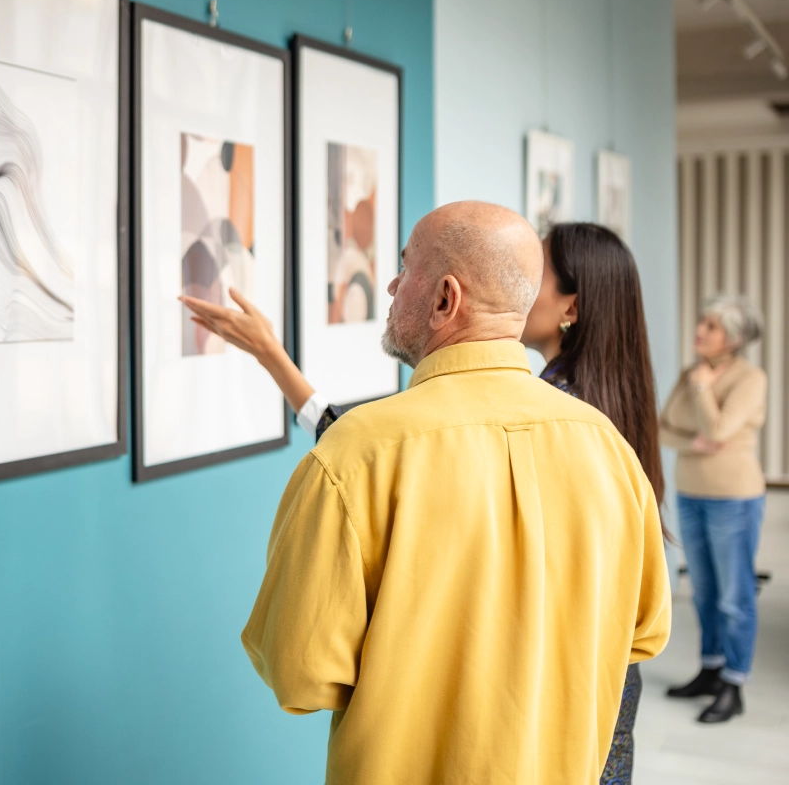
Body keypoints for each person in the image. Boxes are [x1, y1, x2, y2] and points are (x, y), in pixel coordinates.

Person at [184, 201, 671, 784]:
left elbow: (298, 672)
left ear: (445, 299)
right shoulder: (609, 449)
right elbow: (645, 634)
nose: (389, 284)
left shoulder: (355, 455)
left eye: (405, 267)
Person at [660, 295, 767, 724]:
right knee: (703, 591)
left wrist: (704, 388)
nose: (700, 330)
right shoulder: (689, 372)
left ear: (735, 338)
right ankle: (710, 669)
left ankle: (734, 683)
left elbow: (719, 429)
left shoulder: (749, 378)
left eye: (712, 326)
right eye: (702, 322)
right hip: (690, 493)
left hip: (734, 498)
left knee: (734, 596)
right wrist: (694, 443)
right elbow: (663, 426)